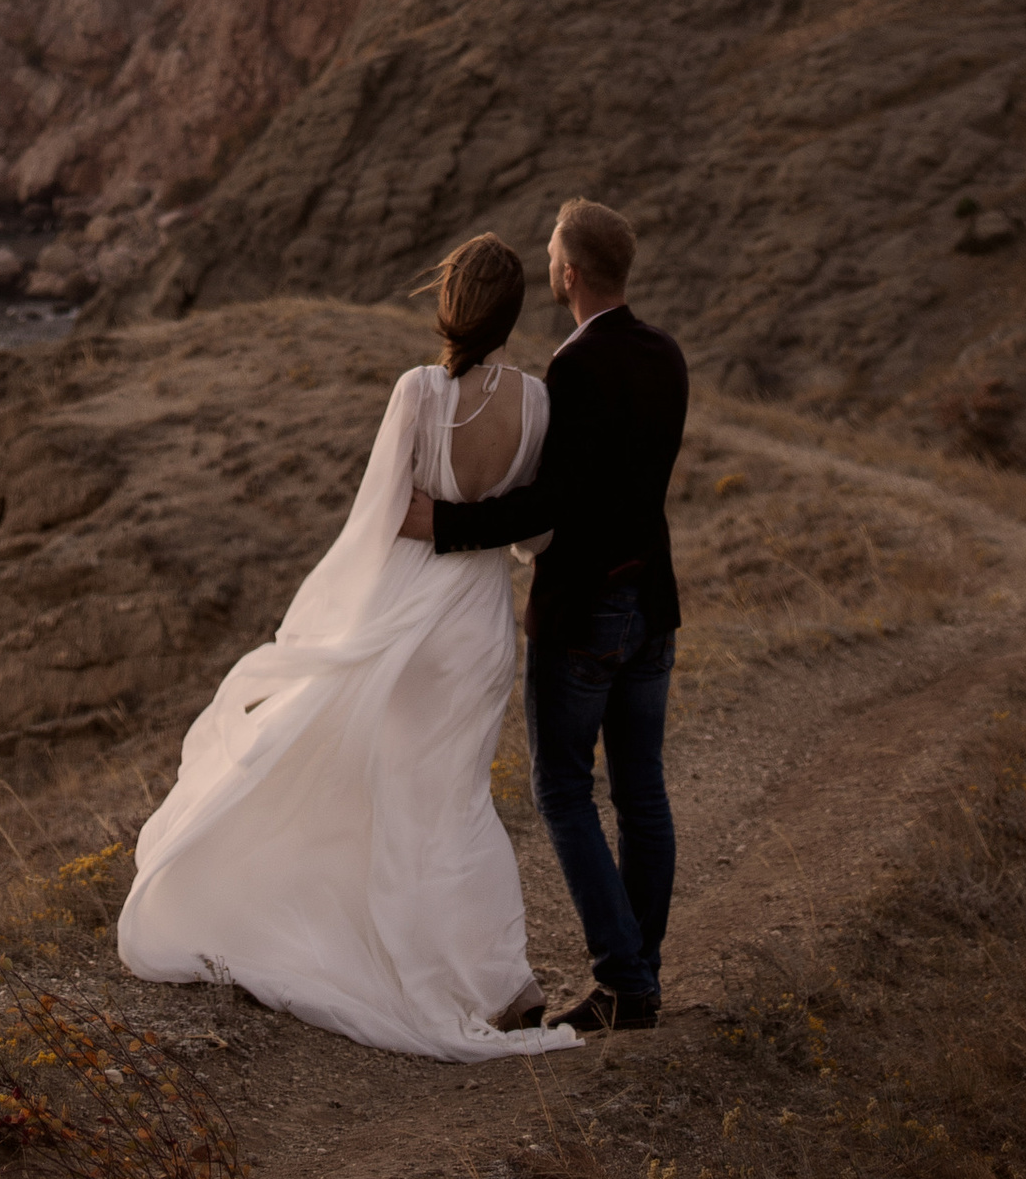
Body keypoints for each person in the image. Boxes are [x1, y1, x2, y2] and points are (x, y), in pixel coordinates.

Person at [116, 236, 582, 1059]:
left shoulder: (416, 391)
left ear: (450, 303)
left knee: (391, 792)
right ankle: (496, 979)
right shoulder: (540, 405)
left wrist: (333, 627)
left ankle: (393, 955)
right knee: (457, 797)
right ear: (513, 314)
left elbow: (374, 521)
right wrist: (491, 532)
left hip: (408, 608)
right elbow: (537, 535)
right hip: (476, 625)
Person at [401, 196, 688, 1034]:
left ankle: (622, 978)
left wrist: (442, 523)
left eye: (555, 256)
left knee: (562, 788)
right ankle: (642, 978)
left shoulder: (575, 371)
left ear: (567, 274)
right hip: (655, 605)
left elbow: (550, 505)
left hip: (587, 608)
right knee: (641, 791)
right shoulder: (667, 356)